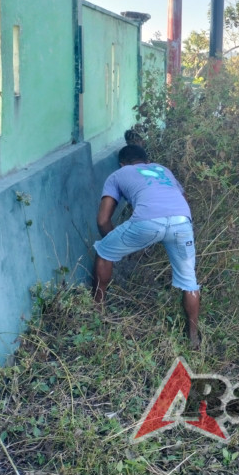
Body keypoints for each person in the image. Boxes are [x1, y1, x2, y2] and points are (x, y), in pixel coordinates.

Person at [92, 145, 201, 347]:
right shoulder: (162, 169)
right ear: (146, 160)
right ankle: (193, 337)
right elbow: (183, 200)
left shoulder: (118, 174)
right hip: (182, 222)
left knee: (104, 251)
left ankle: (98, 309)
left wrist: (118, 247)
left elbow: (102, 220)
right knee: (189, 281)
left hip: (147, 222)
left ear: (122, 163)